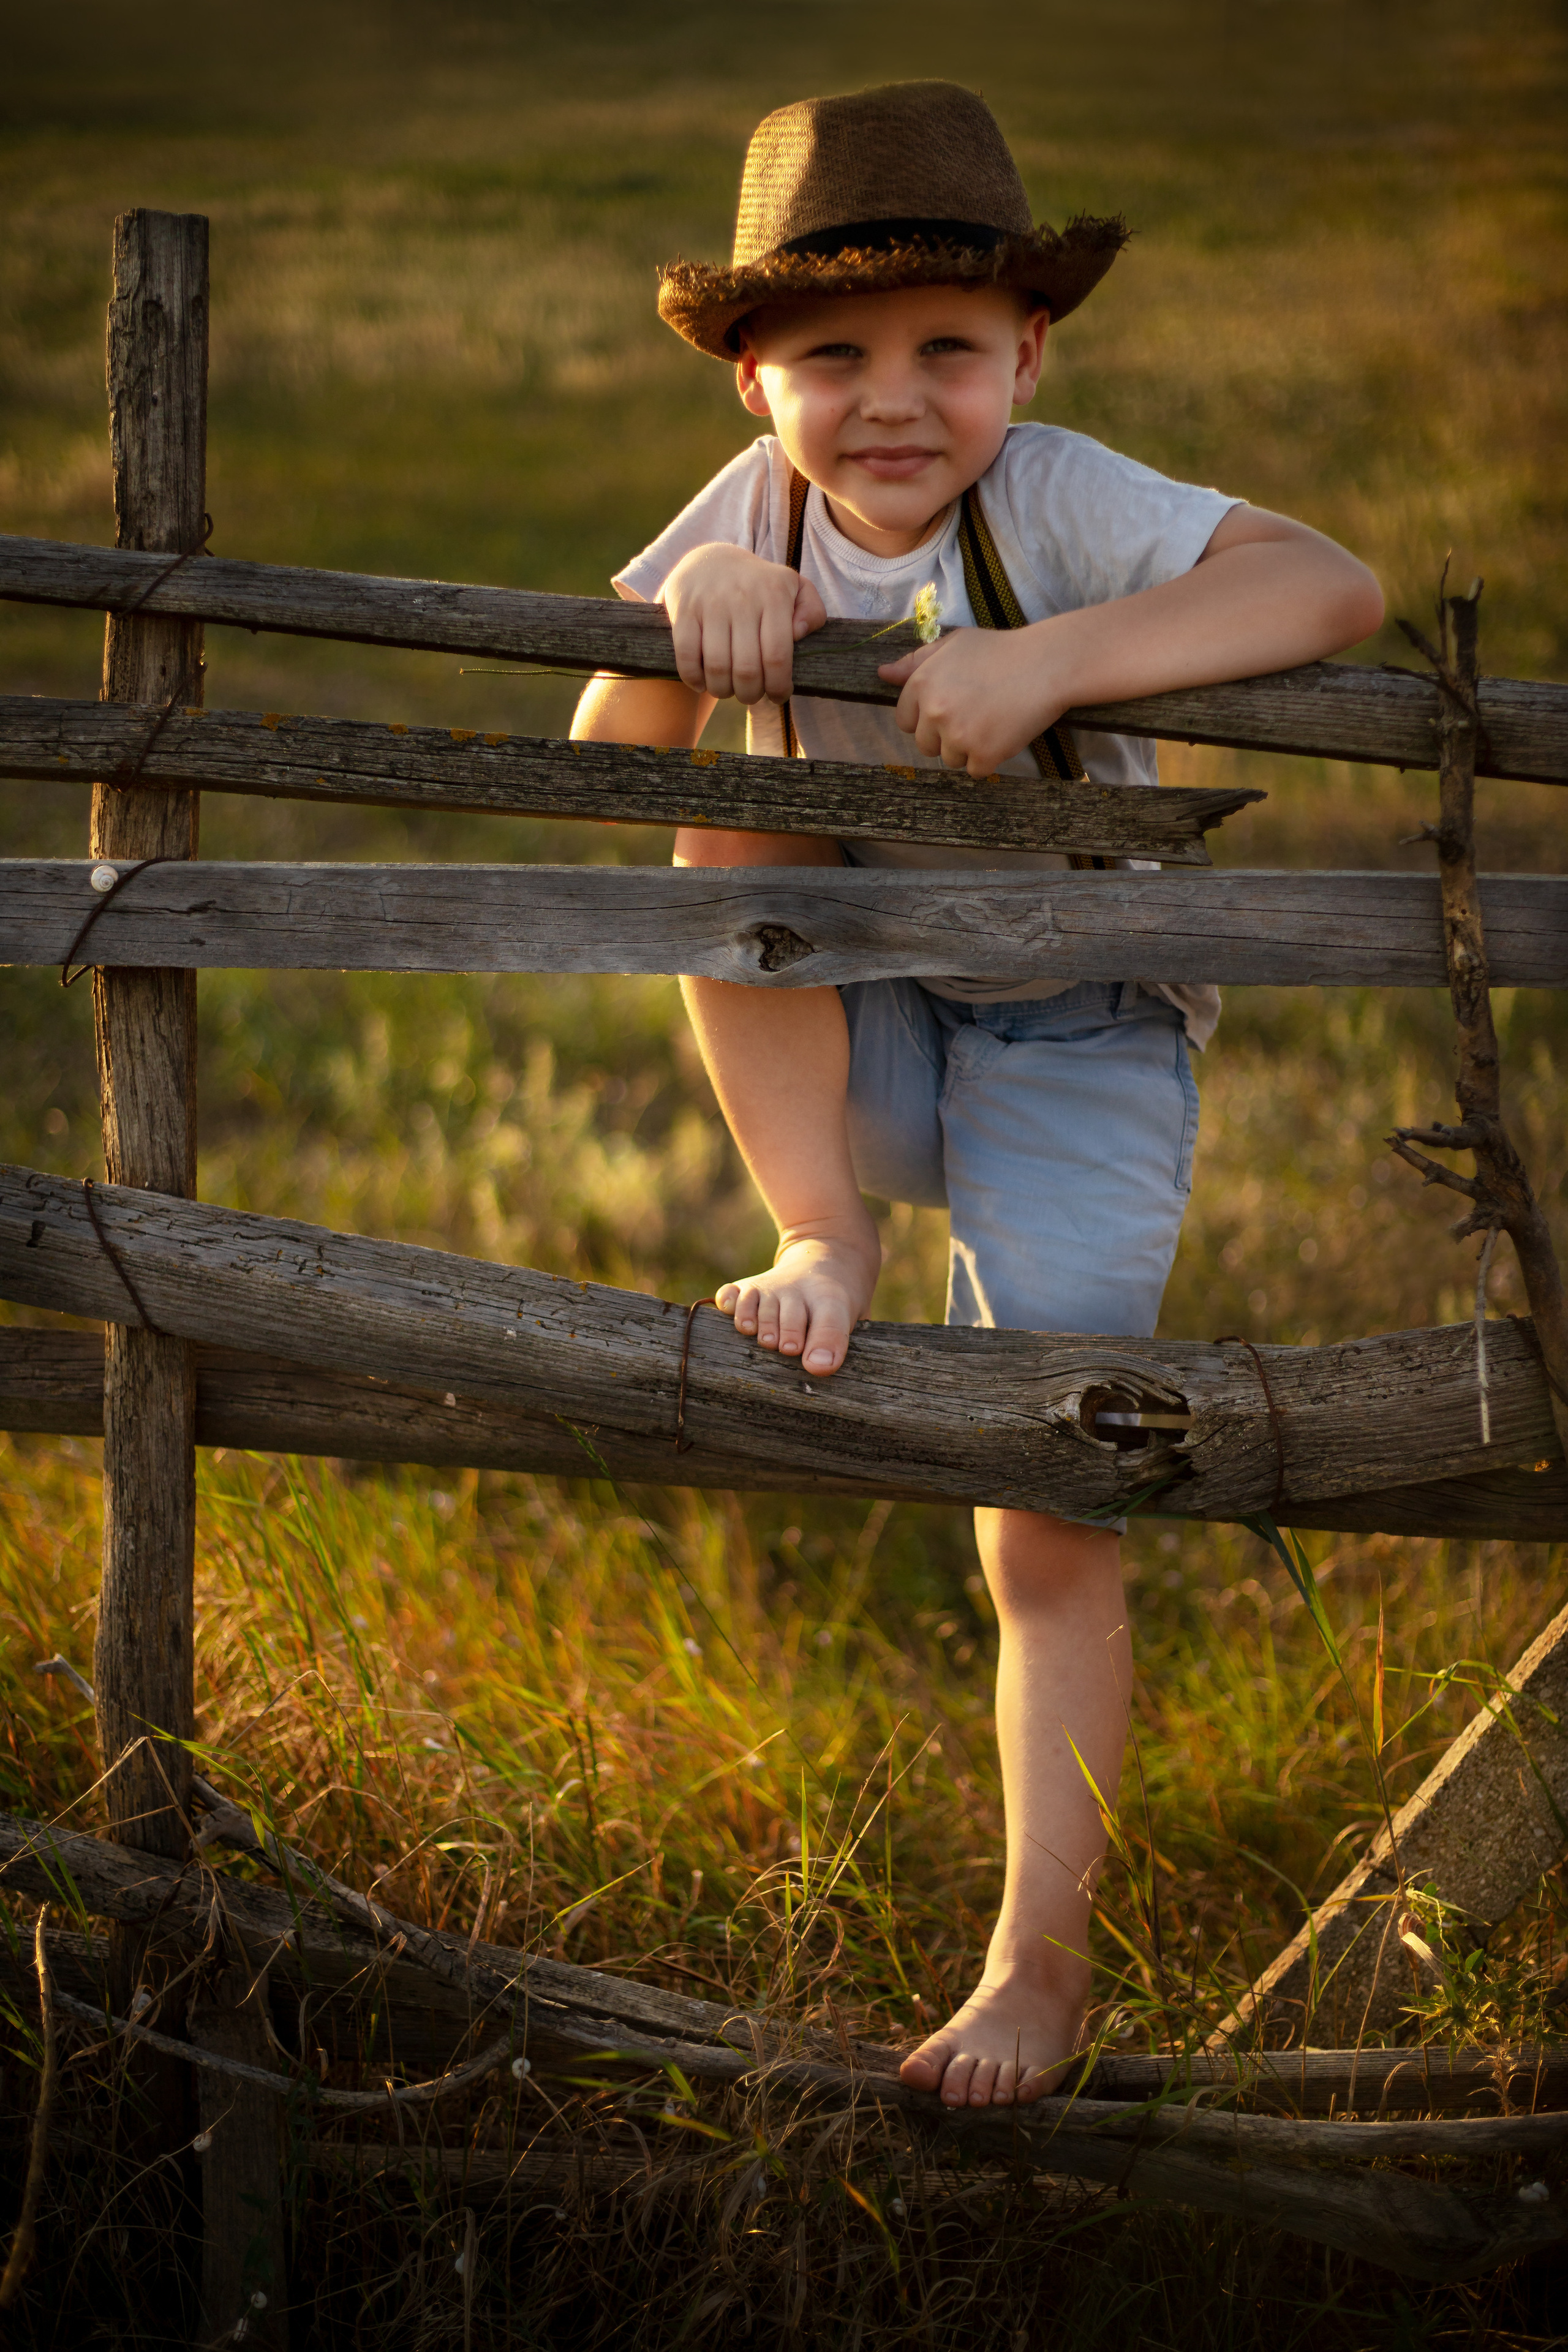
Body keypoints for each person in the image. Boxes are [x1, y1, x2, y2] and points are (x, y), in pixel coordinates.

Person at [571, 80, 1382, 2109]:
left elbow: (1330, 589)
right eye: (831, 357)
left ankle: (1039, 1960)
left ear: (1030, 352)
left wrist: (1063, 663)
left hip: (1080, 1032)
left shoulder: (1067, 502)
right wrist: (698, 635)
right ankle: (821, 1241)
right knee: (719, 823)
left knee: (1050, 1498)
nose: (894, 400)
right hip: (868, 1031)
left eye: (949, 346)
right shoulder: (743, 514)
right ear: (753, 379)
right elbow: (601, 742)